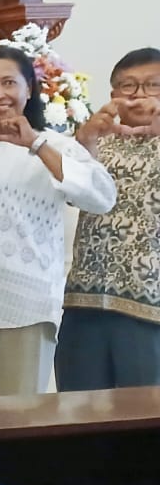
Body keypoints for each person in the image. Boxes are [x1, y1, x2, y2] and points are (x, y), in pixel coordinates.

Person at [0, 45, 115, 399]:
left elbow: (101, 197)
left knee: (16, 423)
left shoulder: (56, 146)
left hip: (23, 306)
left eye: (8, 83)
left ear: (29, 89)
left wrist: (35, 143)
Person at [60, 47, 160, 390]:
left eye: (152, 86)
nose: (139, 96)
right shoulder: (93, 138)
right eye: (128, 86)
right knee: (79, 412)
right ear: (113, 94)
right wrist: (86, 140)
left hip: (149, 304)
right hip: (83, 299)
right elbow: (72, 193)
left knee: (143, 419)